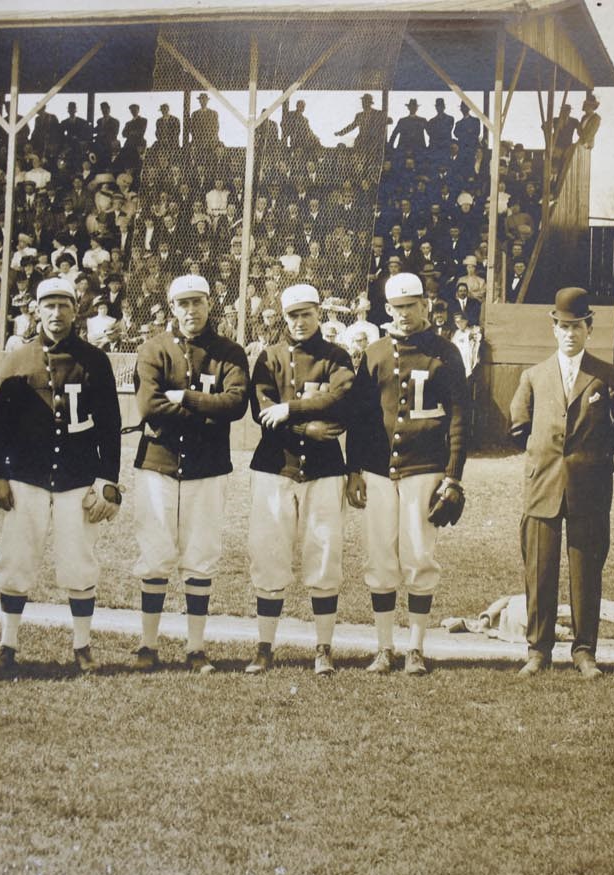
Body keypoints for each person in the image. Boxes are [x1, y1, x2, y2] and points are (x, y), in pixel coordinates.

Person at [0, 277, 123, 672]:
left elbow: (109, 424)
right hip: (27, 475)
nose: (56, 313)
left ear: (75, 310)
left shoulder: (93, 360)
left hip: (76, 475)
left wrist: (107, 478)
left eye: (63, 305)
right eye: (48, 306)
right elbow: (1, 425)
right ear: (37, 310)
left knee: (78, 559)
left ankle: (82, 645)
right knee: (15, 559)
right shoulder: (19, 358)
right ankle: (7, 644)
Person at [508, 288, 614, 677]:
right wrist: (545, 455)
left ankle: (585, 651)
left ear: (589, 328)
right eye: (563, 327)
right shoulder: (533, 375)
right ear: (553, 328)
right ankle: (538, 650)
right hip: (542, 486)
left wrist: (597, 452)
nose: (569, 334)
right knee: (539, 569)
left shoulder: (606, 374)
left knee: (586, 571)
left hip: (591, 487)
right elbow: (518, 426)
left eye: (577, 326)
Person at [345, 271, 468, 676]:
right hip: (379, 470)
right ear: (386, 310)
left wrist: (453, 475)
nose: (403, 315)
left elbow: (459, 417)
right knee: (380, 556)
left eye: (410, 306)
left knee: (418, 555)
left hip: (424, 467)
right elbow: (360, 420)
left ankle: (415, 647)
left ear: (424, 306)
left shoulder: (445, 352)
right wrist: (354, 470)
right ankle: (384, 647)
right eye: (396, 308)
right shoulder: (376, 353)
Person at [128, 275, 250, 673]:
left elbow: (234, 405)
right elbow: (148, 407)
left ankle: (196, 648)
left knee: (201, 556)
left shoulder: (228, 351)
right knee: (155, 553)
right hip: (158, 466)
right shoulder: (153, 349)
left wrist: (184, 398)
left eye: (197, 302)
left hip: (208, 468)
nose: (191, 311)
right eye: (183, 303)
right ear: (172, 307)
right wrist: (205, 412)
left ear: (210, 303)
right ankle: (148, 644)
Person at [246, 283, 357, 675]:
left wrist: (290, 409)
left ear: (318, 313)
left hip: (325, 470)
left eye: (306, 313)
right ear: (283, 317)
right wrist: (306, 428)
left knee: (324, 554)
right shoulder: (270, 357)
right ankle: (264, 647)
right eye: (292, 315)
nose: (299, 321)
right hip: (276, 466)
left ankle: (323, 648)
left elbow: (342, 398)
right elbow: (262, 412)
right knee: (269, 553)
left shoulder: (335, 355)